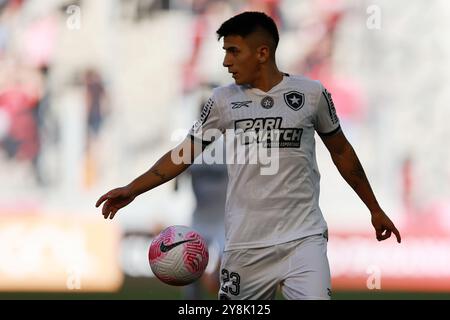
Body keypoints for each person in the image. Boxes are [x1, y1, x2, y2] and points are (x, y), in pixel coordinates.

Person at [96, 11, 401, 300]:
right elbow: (182, 155)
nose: (226, 62)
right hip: (244, 247)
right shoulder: (222, 100)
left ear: (262, 53)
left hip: (303, 240)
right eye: (225, 52)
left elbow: (342, 152)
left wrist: (374, 208)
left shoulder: (311, 94)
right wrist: (133, 189)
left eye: (233, 51)